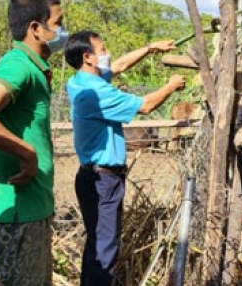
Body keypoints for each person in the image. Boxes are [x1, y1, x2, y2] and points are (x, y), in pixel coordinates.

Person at [0, 0, 67, 286]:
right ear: (36, 28)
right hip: (16, 214)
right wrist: (27, 153)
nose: (62, 31)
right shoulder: (18, 64)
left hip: (31, 209)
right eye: (58, 22)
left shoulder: (33, 68)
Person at [64, 31, 185, 286]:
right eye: (103, 49)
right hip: (103, 180)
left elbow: (119, 65)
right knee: (105, 251)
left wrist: (151, 47)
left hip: (94, 177)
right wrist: (171, 86)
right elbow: (145, 105)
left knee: (98, 246)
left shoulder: (79, 81)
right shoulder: (95, 94)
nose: (108, 54)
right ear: (88, 57)